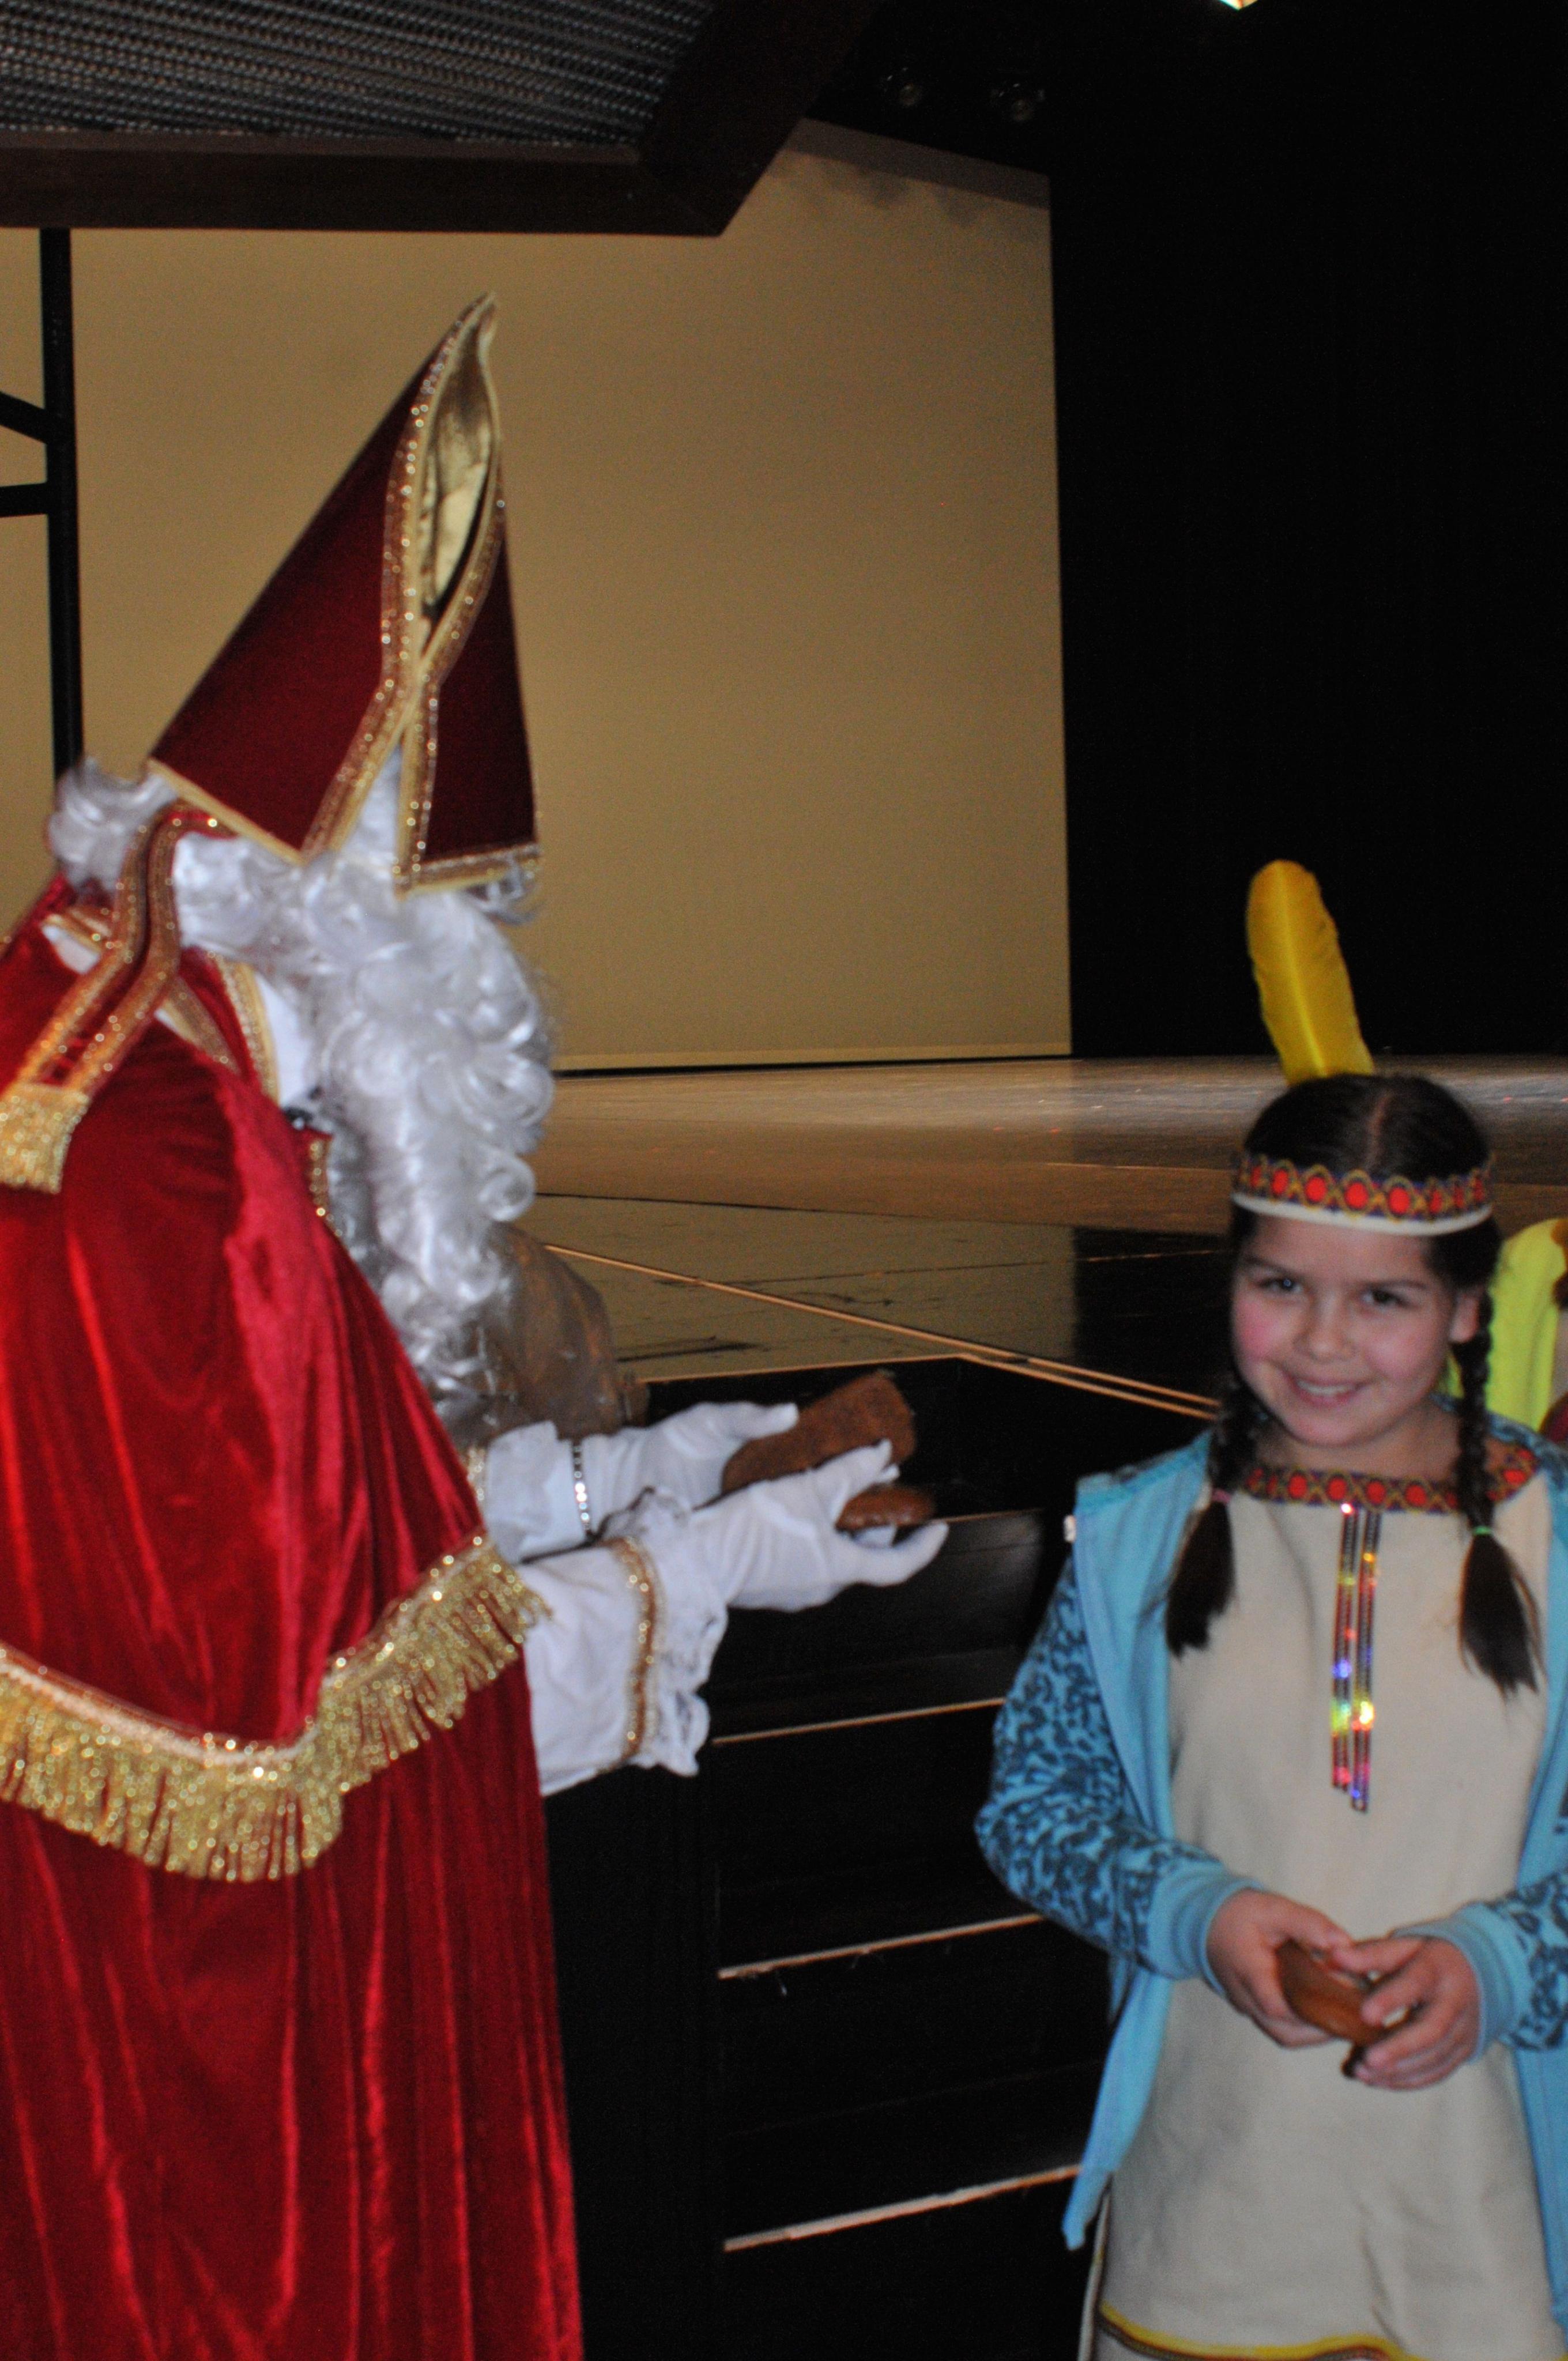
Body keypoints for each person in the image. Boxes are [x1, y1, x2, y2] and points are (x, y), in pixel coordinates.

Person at [0, 296, 944, 2358]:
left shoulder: (133, 1046)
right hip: (203, 2128)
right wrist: (715, 1561)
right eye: (478, 936)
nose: (499, 1016)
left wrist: (661, 1466)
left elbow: (316, 1536)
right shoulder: (184, 1187)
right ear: (368, 936)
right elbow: (360, 1753)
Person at [978, 1072, 1568, 2361]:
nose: (1320, 1341)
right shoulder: (1142, 1530)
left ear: (1467, 1309)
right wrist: (1196, 1911)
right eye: (1281, 1283)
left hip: (1490, 2233)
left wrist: (1503, 1962)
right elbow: (1033, 1805)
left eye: (1384, 1300)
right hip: (1214, 2218)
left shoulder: (1557, 1537)